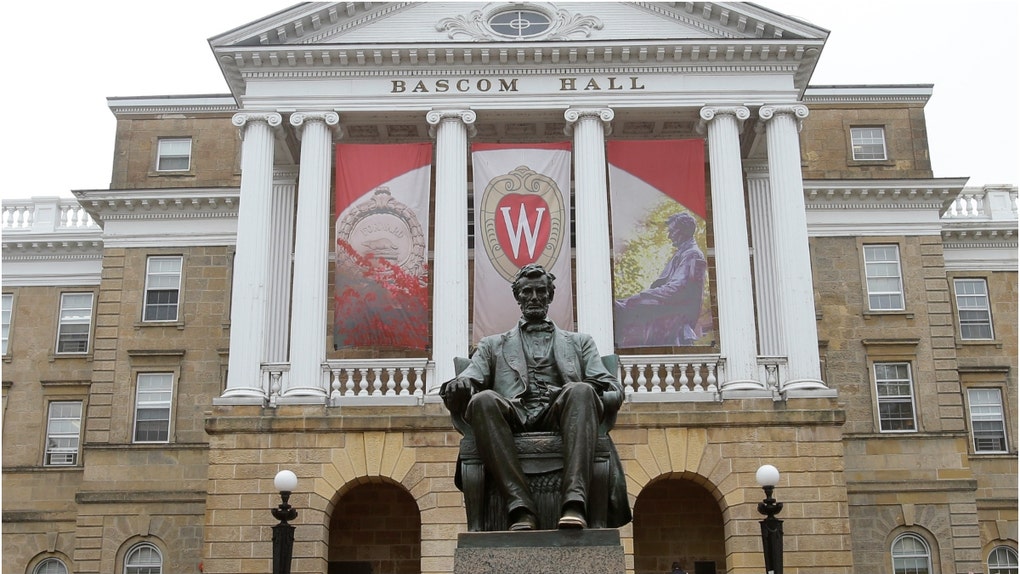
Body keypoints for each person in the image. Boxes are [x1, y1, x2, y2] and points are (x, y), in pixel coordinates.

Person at [441, 264, 630, 531]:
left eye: (541, 291)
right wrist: (459, 385)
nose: (534, 297)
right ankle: (520, 506)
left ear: (551, 296)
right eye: (527, 292)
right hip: (513, 415)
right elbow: (471, 377)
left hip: (562, 412)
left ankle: (574, 504)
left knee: (581, 390)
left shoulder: (580, 342)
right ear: (517, 297)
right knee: (482, 400)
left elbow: (611, 388)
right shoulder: (492, 344)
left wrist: (594, 398)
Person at [614, 212, 707, 347]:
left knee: (627, 305)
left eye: (672, 231)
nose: (669, 236)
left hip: (673, 310)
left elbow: (677, 289)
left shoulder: (692, 254)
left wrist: (643, 296)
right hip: (669, 306)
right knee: (622, 304)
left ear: (684, 231)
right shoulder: (684, 253)